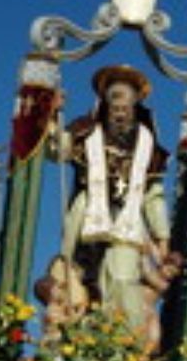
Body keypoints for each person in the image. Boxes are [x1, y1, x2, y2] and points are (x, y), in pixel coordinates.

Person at [48, 65, 171, 336]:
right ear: (105, 102)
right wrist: (54, 114)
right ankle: (76, 339)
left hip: (127, 220)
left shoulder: (148, 144)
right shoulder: (85, 131)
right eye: (114, 101)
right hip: (88, 215)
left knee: (123, 279)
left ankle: (123, 345)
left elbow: (153, 194)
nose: (119, 110)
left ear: (135, 105)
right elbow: (57, 151)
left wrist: (162, 237)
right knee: (76, 276)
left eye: (125, 103)